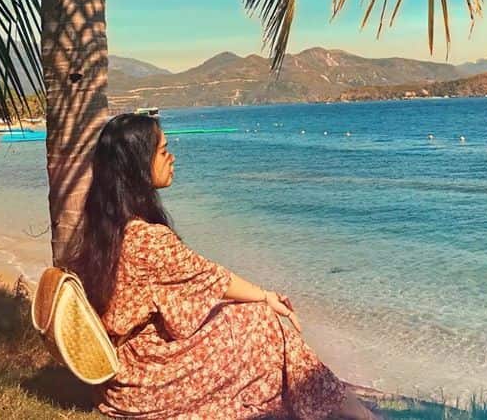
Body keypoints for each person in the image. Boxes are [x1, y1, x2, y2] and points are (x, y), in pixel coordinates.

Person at [70, 113, 377, 420]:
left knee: (250, 317)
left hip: (123, 374)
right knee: (263, 320)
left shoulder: (108, 227)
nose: (172, 158)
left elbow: (197, 284)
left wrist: (258, 299)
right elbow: (213, 278)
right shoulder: (146, 239)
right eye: (163, 151)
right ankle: (348, 410)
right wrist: (266, 296)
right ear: (139, 164)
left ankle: (324, 400)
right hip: (145, 382)